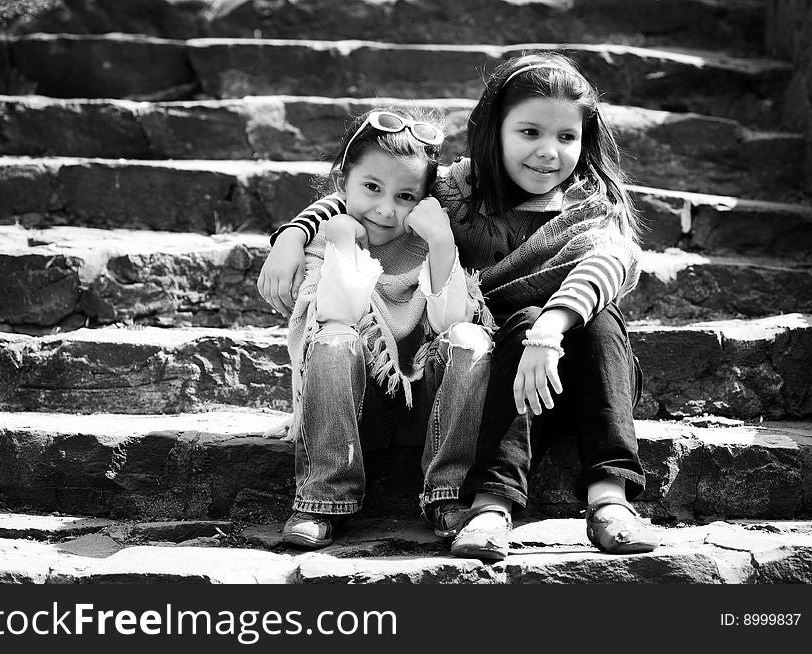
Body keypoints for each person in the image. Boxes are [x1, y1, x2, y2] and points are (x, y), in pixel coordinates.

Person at [260, 52, 661, 560]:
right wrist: (295, 233)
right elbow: (379, 188)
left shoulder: (592, 204)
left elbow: (606, 266)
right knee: (510, 326)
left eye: (566, 137)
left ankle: (610, 499)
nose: (548, 152)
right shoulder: (457, 189)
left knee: (594, 320)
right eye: (530, 132)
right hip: (492, 379)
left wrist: (551, 329)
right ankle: (488, 504)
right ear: (494, 131)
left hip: (573, 370)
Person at [278, 107, 494, 549]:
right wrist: (341, 240)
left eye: (405, 196)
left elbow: (449, 320)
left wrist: (441, 243)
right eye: (372, 188)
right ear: (342, 186)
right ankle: (324, 497)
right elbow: (334, 314)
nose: (385, 208)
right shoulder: (322, 242)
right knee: (336, 338)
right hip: (354, 413)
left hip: (426, 412)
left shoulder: (429, 243)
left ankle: (447, 493)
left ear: (425, 200)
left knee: (470, 337)